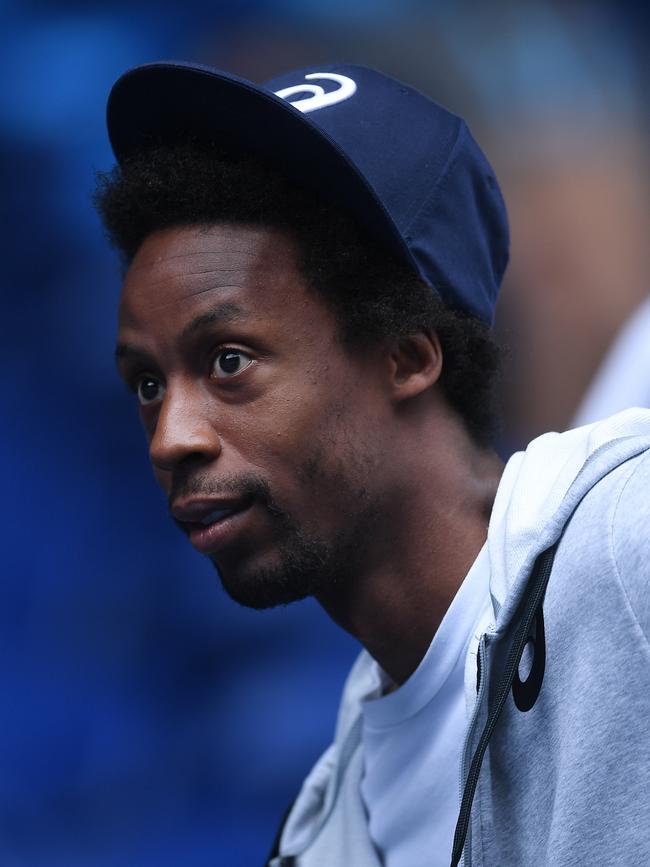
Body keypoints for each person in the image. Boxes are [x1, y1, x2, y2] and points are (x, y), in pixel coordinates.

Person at [96, 61, 650, 867]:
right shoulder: (318, 839)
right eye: (148, 383)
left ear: (407, 356)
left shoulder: (624, 541)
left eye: (228, 361)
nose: (170, 437)